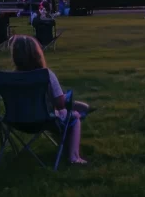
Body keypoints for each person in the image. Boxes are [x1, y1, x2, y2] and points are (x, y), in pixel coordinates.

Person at [9, 35, 91, 165]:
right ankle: (74, 157)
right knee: (75, 116)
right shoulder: (46, 74)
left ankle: (65, 144)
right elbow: (60, 104)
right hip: (43, 120)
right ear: (37, 54)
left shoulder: (9, 78)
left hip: (16, 120)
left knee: (81, 108)